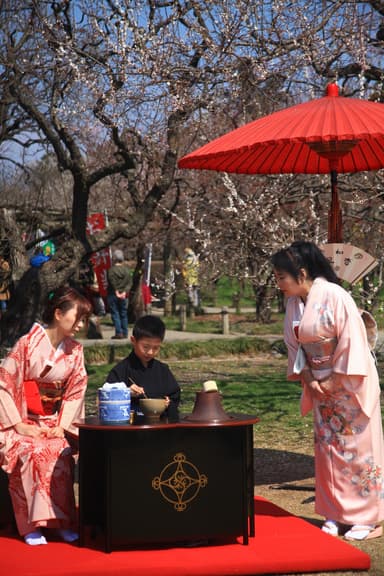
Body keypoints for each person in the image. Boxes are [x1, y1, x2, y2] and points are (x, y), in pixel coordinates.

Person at [271, 241, 384, 541]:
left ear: (302, 273)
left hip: (349, 382)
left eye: (282, 277)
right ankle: (334, 513)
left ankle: (366, 517)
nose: (278, 283)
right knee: (328, 451)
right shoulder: (294, 304)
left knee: (358, 450)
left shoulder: (336, 296)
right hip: (318, 384)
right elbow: (294, 348)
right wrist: (310, 379)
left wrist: (333, 382)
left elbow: (352, 343)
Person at [0, 286, 92, 545]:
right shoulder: (26, 344)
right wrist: (19, 424)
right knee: (31, 451)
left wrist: (62, 427)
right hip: (24, 421)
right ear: (58, 313)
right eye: (78, 317)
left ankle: (60, 522)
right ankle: (30, 526)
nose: (81, 324)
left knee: (59, 451)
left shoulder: (75, 350)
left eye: (84, 319)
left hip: (54, 423)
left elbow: (76, 390)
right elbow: (4, 383)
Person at [106, 315, 180, 420]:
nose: (150, 352)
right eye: (145, 347)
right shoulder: (121, 370)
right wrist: (125, 392)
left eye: (156, 348)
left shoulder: (162, 370)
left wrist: (168, 402)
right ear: (133, 341)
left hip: (160, 426)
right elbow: (106, 396)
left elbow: (174, 395)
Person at [107, 249, 131, 339]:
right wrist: (124, 291)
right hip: (124, 295)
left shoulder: (111, 270)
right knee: (123, 313)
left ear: (114, 258)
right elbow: (129, 282)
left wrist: (116, 291)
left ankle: (119, 332)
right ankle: (125, 332)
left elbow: (111, 281)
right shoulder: (127, 271)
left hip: (113, 294)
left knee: (115, 313)